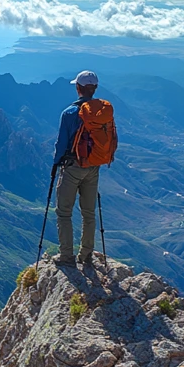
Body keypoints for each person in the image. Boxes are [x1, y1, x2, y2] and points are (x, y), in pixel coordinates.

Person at [52, 69, 106, 267]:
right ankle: (86, 255)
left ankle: (67, 256)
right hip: (94, 167)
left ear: (78, 88)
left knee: (64, 213)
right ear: (94, 89)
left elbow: (61, 143)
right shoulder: (101, 112)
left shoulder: (70, 113)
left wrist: (56, 164)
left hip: (73, 167)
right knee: (88, 213)